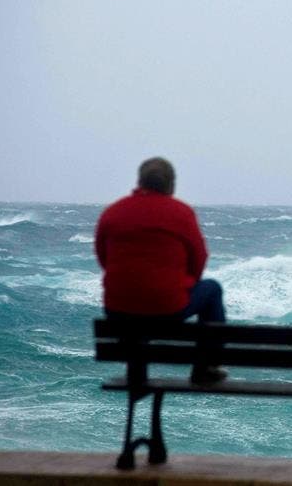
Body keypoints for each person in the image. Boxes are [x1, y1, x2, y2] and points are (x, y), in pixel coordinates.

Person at [95, 157, 226, 381]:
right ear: (171, 185)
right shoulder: (181, 212)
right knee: (211, 289)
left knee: (137, 298)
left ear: (140, 182)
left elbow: (102, 256)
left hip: (119, 313)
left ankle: (135, 371)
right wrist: (184, 285)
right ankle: (206, 367)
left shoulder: (113, 212)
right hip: (168, 311)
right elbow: (199, 258)